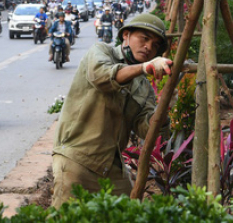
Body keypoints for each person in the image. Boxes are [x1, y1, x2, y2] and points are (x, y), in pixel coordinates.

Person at [51, 13, 173, 207]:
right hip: (77, 159)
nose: (149, 47)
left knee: (127, 212)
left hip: (111, 167)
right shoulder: (101, 52)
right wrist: (144, 67)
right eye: (144, 38)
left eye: (156, 45)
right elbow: (103, 76)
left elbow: (145, 129)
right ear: (126, 35)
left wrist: (165, 111)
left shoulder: (143, 87)